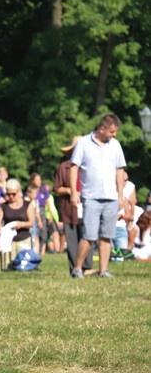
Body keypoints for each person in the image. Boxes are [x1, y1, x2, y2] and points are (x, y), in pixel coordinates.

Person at [70, 114, 127, 279]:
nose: (114, 135)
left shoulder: (115, 145)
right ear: (102, 129)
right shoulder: (83, 144)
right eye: (111, 131)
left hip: (111, 197)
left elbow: (119, 170)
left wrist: (120, 195)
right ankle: (77, 269)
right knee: (89, 235)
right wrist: (74, 192)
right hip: (91, 196)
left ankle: (103, 270)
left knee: (107, 235)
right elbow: (74, 168)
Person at [53, 136, 94, 275]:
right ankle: (74, 268)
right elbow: (57, 188)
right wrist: (71, 190)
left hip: (88, 205)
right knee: (72, 239)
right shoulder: (64, 166)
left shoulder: (90, 165)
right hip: (69, 208)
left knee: (88, 235)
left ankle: (87, 267)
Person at [0, 179, 36, 258]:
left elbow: (31, 223)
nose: (11, 196)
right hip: (8, 242)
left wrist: (21, 224)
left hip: (24, 240)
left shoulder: (27, 205)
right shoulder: (3, 206)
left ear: (19, 192)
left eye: (13, 194)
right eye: (8, 194)